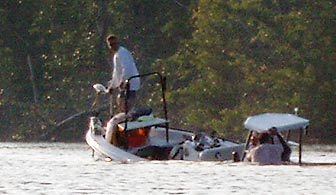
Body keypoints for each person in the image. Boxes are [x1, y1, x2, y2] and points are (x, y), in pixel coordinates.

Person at [106, 34, 140, 112]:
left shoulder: (122, 52)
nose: (113, 46)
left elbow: (127, 68)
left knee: (125, 105)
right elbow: (116, 72)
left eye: (114, 44)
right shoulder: (116, 55)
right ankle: (126, 118)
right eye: (111, 45)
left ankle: (129, 119)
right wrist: (112, 86)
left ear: (118, 43)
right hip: (125, 85)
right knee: (121, 103)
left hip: (130, 82)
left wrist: (122, 81)